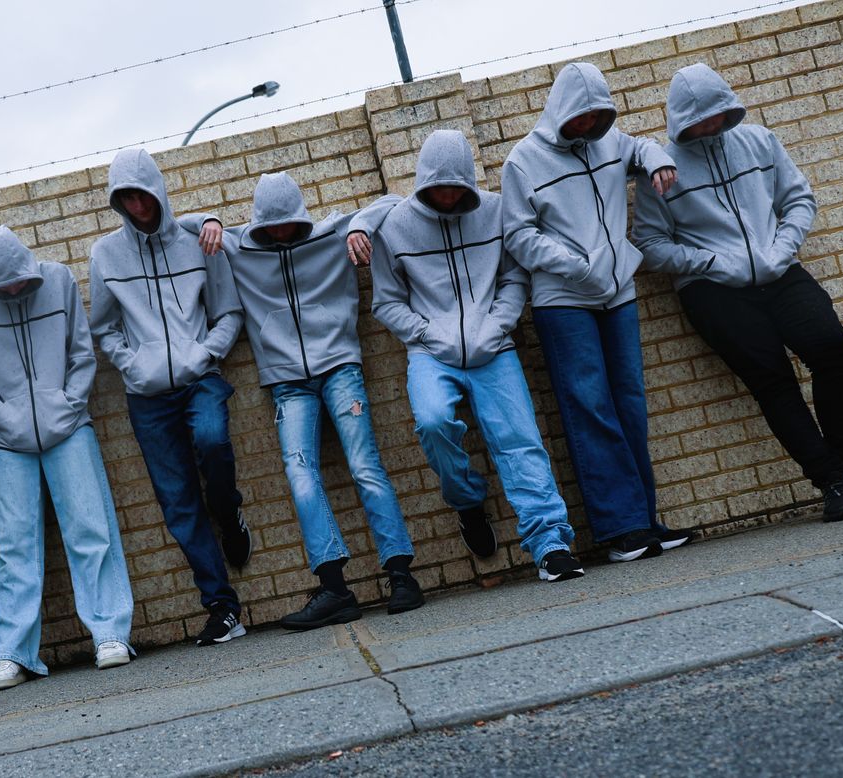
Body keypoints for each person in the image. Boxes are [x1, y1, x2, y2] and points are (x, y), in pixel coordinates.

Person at [182, 171, 424, 630]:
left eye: (286, 224)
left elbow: (393, 200)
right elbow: (177, 225)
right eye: (270, 226)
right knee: (300, 473)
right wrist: (209, 219)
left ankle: (401, 576)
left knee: (364, 464)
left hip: (340, 369)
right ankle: (335, 589)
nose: (278, 234)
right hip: (287, 383)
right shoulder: (240, 246)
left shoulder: (332, 233)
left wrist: (360, 227)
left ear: (300, 215)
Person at [348, 129, 584, 582]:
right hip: (430, 353)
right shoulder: (394, 226)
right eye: (439, 187)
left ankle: (550, 544)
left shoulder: (495, 212)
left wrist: (497, 326)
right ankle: (468, 501)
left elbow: (514, 277)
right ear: (423, 180)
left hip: (494, 347)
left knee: (520, 440)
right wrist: (426, 335)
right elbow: (387, 302)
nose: (448, 196)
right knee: (433, 423)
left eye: (456, 187)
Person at [634, 63, 843, 522]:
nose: (709, 126)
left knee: (832, 350)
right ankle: (832, 482)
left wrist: (781, 249)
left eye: (717, 115)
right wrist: (710, 262)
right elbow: (650, 242)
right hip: (713, 289)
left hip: (780, 271)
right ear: (679, 119)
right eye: (698, 121)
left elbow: (799, 199)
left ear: (728, 107)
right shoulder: (660, 169)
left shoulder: (759, 141)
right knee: (772, 380)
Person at [501, 62, 693, 564]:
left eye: (597, 116)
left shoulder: (610, 142)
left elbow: (641, 146)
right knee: (590, 406)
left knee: (629, 402)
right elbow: (518, 236)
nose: (588, 126)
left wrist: (657, 159)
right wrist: (576, 266)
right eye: (580, 117)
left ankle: (645, 520)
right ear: (560, 110)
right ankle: (619, 528)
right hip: (564, 302)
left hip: (618, 293)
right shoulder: (523, 160)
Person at [0, 226, 135, 689]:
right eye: (3, 286)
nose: (14, 290)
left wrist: (69, 405)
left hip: (70, 428)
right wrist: (3, 418)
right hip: (7, 440)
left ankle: (110, 634)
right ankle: (12, 654)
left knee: (90, 530)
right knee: (12, 547)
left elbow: (81, 352)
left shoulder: (58, 280)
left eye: (19, 281)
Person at [89, 148, 251, 646]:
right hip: (147, 397)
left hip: (200, 378)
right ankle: (223, 608)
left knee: (212, 440)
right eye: (127, 199)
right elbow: (104, 327)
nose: (138, 206)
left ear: (158, 191)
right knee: (178, 502)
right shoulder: (105, 255)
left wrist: (205, 353)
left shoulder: (198, 241)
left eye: (143, 195)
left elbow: (229, 312)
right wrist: (132, 364)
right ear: (117, 202)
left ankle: (228, 512)